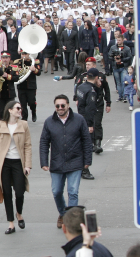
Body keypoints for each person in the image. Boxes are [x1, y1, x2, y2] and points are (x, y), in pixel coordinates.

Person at [39, 94, 93, 229]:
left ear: (68, 105)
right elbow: (44, 143)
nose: (60, 108)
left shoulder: (79, 120)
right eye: (57, 106)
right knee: (56, 191)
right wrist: (44, 162)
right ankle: (63, 213)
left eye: (63, 105)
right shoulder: (49, 122)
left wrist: (87, 160)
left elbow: (86, 140)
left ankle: (71, 221)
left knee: (73, 191)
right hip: (57, 163)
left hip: (75, 161)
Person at [0, 101, 32, 234]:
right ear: (9, 110)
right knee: (7, 193)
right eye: (18, 108)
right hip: (4, 163)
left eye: (21, 108)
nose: (20, 110)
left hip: (18, 162)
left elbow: (27, 145)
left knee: (19, 192)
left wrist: (27, 165)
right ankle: (11, 223)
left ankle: (19, 213)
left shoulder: (24, 124)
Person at [76, 68, 100, 180]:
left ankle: (80, 168)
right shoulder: (91, 91)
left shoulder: (80, 86)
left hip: (79, 117)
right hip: (86, 120)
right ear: (96, 78)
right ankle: (85, 170)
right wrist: (90, 124)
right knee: (87, 146)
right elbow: (90, 109)